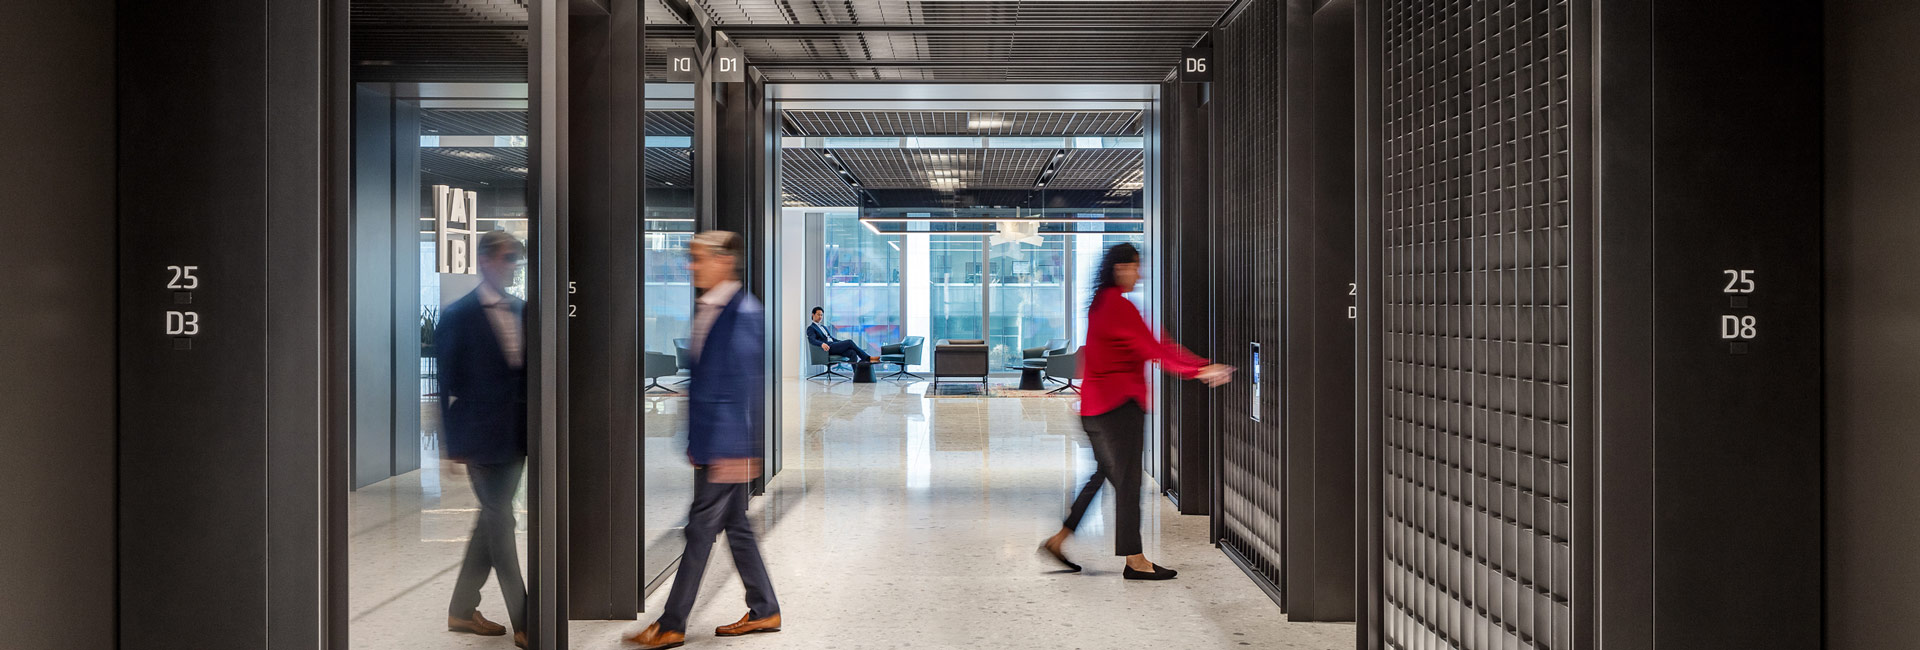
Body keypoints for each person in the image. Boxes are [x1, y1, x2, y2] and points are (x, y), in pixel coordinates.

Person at [1039, 243, 1233, 580]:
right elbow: (1155, 347)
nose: (1139, 273)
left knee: (1102, 474)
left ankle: (1059, 539)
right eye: (1135, 266)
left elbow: (1149, 345)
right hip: (1118, 409)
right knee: (1127, 484)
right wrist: (1199, 369)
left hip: (1094, 409)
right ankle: (1136, 560)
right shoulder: (1118, 307)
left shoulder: (1099, 305)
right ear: (1120, 268)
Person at [630, 231, 782, 650]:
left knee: (699, 530)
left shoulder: (743, 312)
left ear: (723, 261)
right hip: (714, 443)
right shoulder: (711, 307)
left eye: (698, 259)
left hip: (728, 446)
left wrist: (742, 451)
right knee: (735, 525)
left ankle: (672, 623)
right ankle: (764, 608)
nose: (691, 267)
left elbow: (746, 388)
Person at [436, 230, 530, 648]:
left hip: (516, 437)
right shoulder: (458, 315)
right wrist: (451, 445)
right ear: (487, 260)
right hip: (478, 438)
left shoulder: (526, 311)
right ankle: (526, 620)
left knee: (491, 521)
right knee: (502, 521)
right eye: (508, 258)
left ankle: (461, 609)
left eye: (516, 260)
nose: (513, 267)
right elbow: (445, 385)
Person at [806, 306, 876, 362]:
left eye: (821, 315)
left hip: (833, 345)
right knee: (849, 342)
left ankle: (856, 375)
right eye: (818, 315)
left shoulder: (823, 327)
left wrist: (841, 342)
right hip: (827, 348)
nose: (820, 317)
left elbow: (831, 338)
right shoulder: (811, 328)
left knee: (852, 353)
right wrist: (822, 344)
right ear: (813, 315)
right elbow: (812, 340)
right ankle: (867, 357)